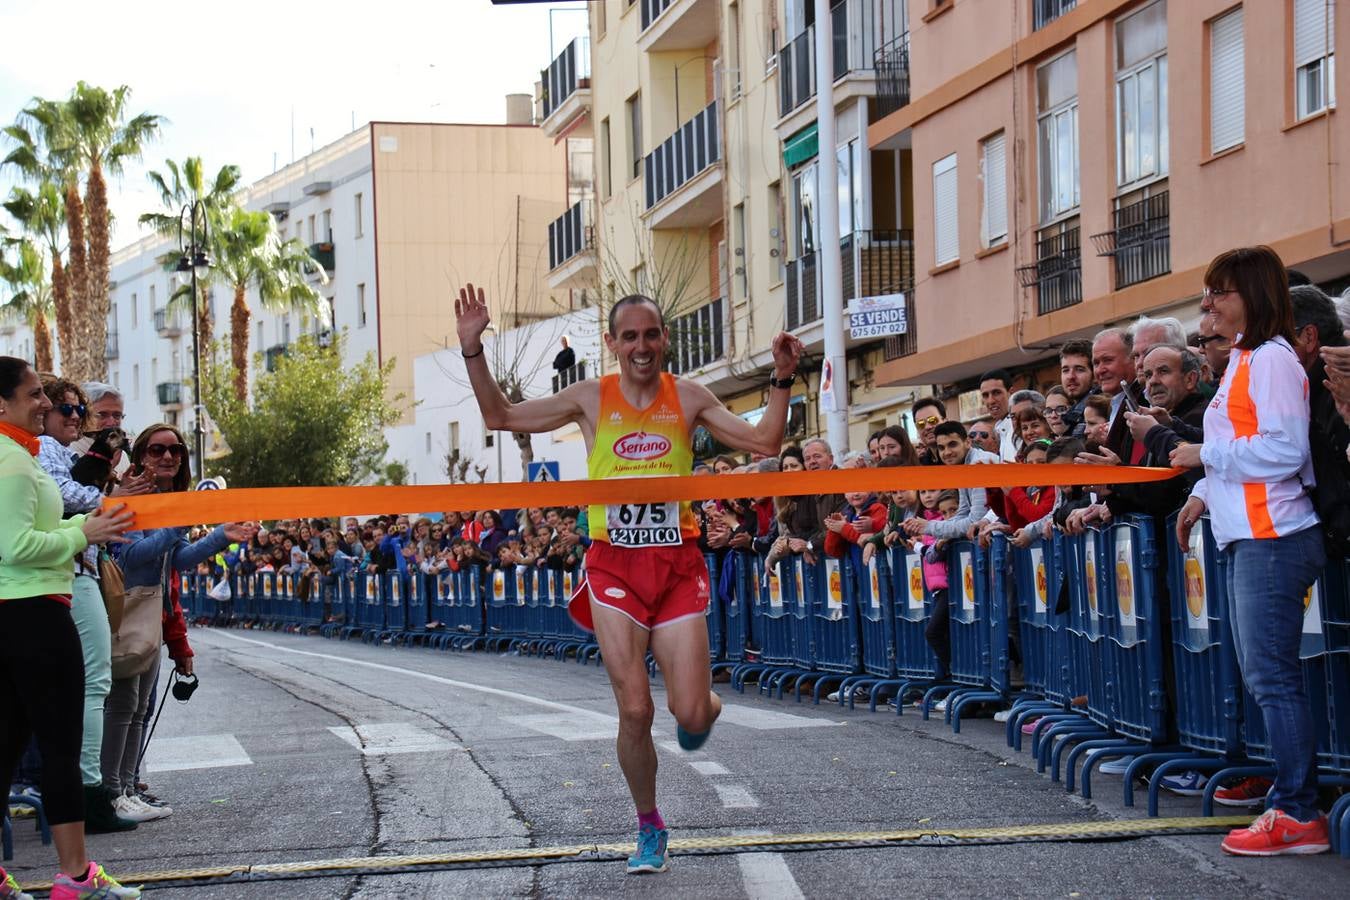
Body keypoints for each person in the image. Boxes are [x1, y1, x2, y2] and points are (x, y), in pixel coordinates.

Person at [455, 285, 802, 875]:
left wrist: (783, 378)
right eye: (630, 336)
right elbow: (501, 416)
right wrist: (472, 350)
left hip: (676, 566)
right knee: (636, 709)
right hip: (613, 565)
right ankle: (649, 827)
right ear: (613, 343)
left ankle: (703, 710)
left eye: (651, 335)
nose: (642, 347)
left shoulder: (687, 396)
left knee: (690, 715)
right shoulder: (591, 397)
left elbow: (765, 442)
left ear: (664, 339)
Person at [1173, 246, 1329, 856]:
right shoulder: (1245, 360)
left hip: (1276, 537)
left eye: (1221, 291)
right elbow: (1247, 447)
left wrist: (1203, 461)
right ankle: (1290, 802)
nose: (1208, 302)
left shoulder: (1269, 358)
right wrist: (1205, 494)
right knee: (1268, 678)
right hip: (1254, 537)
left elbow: (1284, 452)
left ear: (1253, 297)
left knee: (1273, 679)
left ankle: (1297, 811)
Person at [0, 356, 142, 899]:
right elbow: (18, 547)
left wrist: (86, 526)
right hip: (35, 613)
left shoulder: (19, 456)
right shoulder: (13, 463)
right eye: (36, 395)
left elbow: (31, 528)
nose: (51, 404)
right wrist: (83, 535)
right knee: (61, 747)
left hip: (18, 614)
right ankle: (76, 877)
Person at [103, 424, 255, 824]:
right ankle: (112, 792)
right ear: (140, 456)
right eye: (157, 450)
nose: (168, 457)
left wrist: (221, 535)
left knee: (138, 709)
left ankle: (128, 788)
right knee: (122, 706)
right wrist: (182, 521)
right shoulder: (127, 498)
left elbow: (176, 558)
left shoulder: (169, 500)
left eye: (176, 451)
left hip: (154, 610)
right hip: (124, 608)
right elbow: (133, 557)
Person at [36, 377, 154, 835]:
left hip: (70, 570)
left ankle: (84, 795)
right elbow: (64, 497)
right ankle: (90, 795)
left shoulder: (57, 450)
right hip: (67, 572)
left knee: (76, 688)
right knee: (93, 683)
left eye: (78, 409)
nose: (76, 417)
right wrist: (113, 500)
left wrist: (114, 493)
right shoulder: (43, 447)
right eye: (67, 408)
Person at [979, 369, 1018, 461]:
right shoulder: (1000, 430)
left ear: (1011, 393)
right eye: (985, 395)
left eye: (996, 393)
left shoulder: (1020, 428)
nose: (991, 401)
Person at [910, 396, 946, 464]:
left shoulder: (966, 459)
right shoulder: (921, 465)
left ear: (945, 421)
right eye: (921, 424)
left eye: (932, 420)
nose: (927, 427)